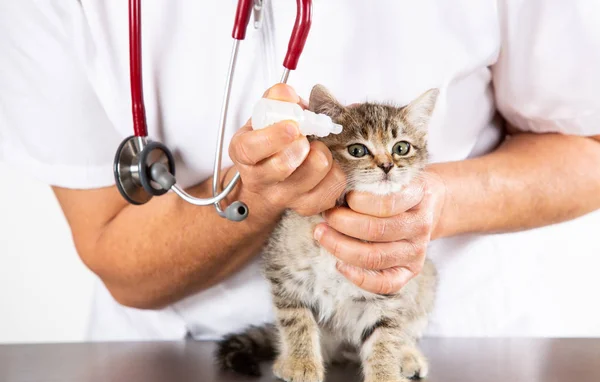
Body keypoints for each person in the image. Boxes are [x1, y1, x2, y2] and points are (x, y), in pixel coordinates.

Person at [1, 0, 599, 341]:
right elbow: (116, 254)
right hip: (181, 360)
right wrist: (257, 196)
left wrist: (433, 201)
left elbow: (589, 147)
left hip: (449, 346)